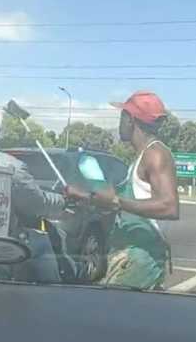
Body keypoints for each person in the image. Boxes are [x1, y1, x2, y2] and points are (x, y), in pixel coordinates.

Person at [65, 90, 178, 290]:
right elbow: (124, 202)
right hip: (132, 257)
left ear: (130, 119)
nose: (119, 123)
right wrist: (85, 196)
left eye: (122, 116)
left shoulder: (156, 154)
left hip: (140, 260)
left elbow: (169, 207)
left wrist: (117, 201)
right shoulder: (142, 157)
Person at [0, 103, 73, 282]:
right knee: (41, 242)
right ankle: (51, 294)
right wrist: (63, 201)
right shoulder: (11, 167)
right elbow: (37, 204)